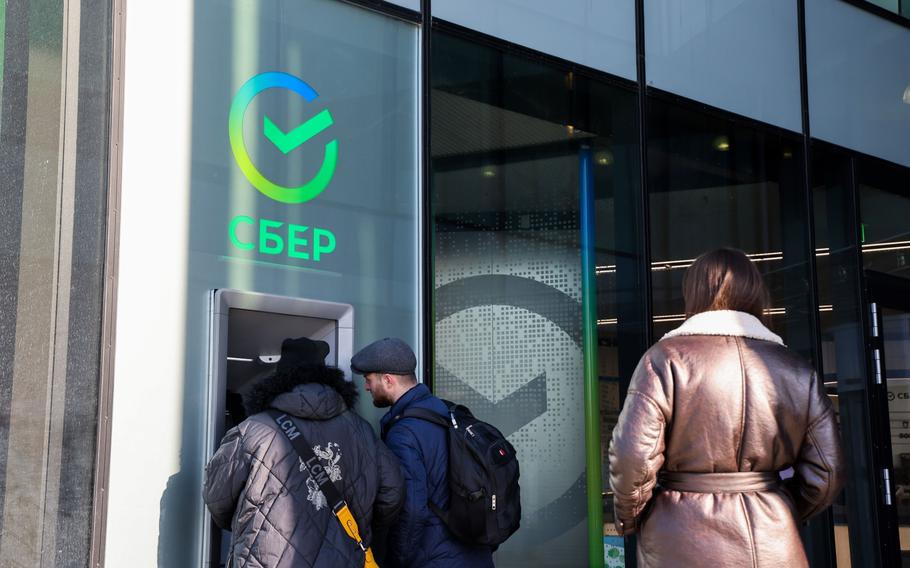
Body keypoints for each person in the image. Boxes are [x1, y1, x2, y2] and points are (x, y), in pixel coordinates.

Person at [608, 248, 845, 567]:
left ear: (691, 293)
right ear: (755, 293)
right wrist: (778, 507)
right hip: (773, 539)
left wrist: (632, 517)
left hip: (680, 536)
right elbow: (827, 470)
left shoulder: (665, 358)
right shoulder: (796, 369)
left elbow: (633, 456)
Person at [203, 337, 404, 567]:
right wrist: (359, 525)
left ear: (281, 380)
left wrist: (251, 523)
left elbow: (217, 499)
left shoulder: (252, 430)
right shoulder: (363, 432)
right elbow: (393, 493)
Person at [352, 337, 495, 568]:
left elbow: (411, 511)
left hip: (434, 558)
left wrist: (394, 562)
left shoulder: (404, 433)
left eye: (368, 380)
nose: (367, 387)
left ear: (387, 380)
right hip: (474, 554)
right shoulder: (445, 411)